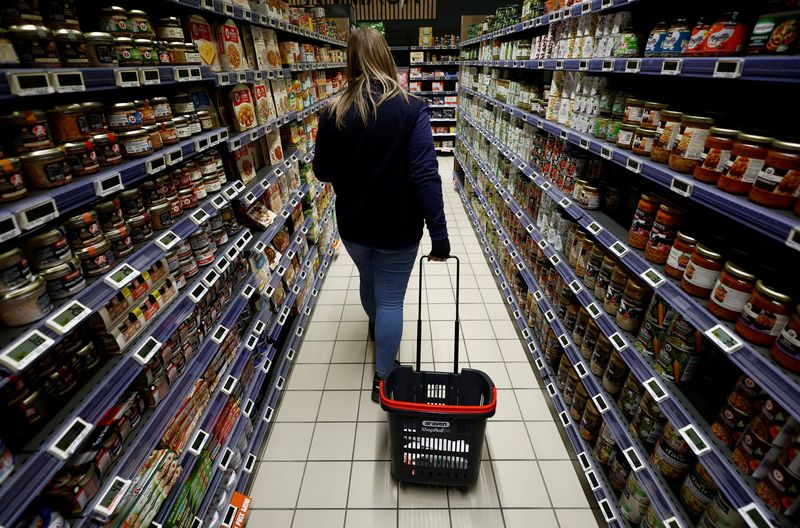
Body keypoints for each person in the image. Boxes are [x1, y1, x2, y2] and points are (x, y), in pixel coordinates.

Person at [312, 28, 449, 402]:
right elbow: (424, 174)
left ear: (350, 62)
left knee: (369, 281)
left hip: (354, 226)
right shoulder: (411, 107)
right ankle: (384, 379)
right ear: (387, 57)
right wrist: (439, 232)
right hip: (398, 228)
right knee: (391, 300)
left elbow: (322, 171)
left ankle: (378, 329)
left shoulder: (333, 111)